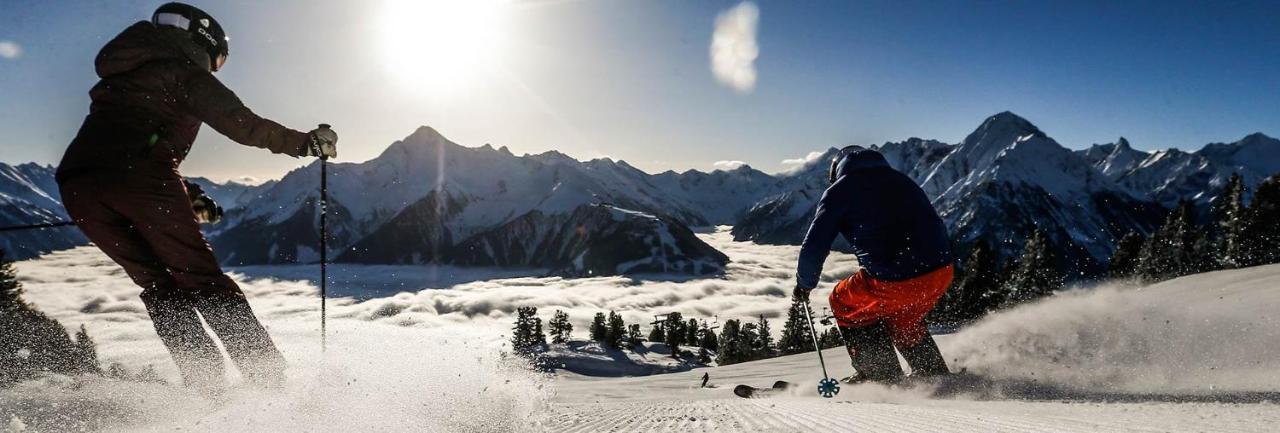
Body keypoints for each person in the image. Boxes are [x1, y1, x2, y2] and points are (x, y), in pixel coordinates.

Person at [55, 3, 338, 390]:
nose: (215, 67)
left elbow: (128, 144)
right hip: (142, 179)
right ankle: (270, 382)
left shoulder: (125, 71)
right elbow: (241, 124)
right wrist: (306, 144)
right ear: (206, 42)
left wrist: (187, 194)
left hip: (77, 185)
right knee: (201, 279)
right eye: (218, 60)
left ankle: (204, 384)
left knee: (158, 285)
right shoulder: (185, 72)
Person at [792, 146, 953, 384]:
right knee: (903, 318)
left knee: (844, 301)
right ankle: (932, 373)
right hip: (941, 272)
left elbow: (814, 245)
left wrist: (804, 284)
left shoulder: (840, 190)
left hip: (894, 278)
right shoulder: (902, 180)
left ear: (837, 170)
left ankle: (881, 375)